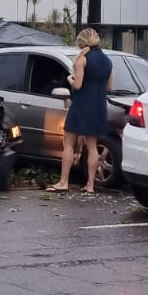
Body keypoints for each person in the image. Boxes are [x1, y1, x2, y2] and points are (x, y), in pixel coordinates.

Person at [48, 28, 113, 195]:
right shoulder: (107, 61)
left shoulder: (82, 59)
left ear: (81, 42)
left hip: (81, 105)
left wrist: (70, 79)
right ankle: (90, 185)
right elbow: (109, 87)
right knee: (92, 146)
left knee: (68, 143)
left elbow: (78, 85)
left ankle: (63, 182)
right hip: (98, 105)